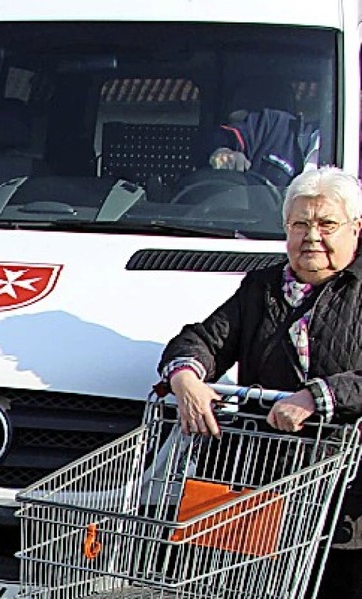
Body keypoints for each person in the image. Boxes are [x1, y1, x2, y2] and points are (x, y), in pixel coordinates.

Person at [157, 165, 362, 599]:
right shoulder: (261, 288)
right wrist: (186, 377)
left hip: (345, 492)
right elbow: (201, 339)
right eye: (300, 224)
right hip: (262, 479)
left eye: (326, 224)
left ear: (355, 229)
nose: (312, 237)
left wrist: (317, 397)